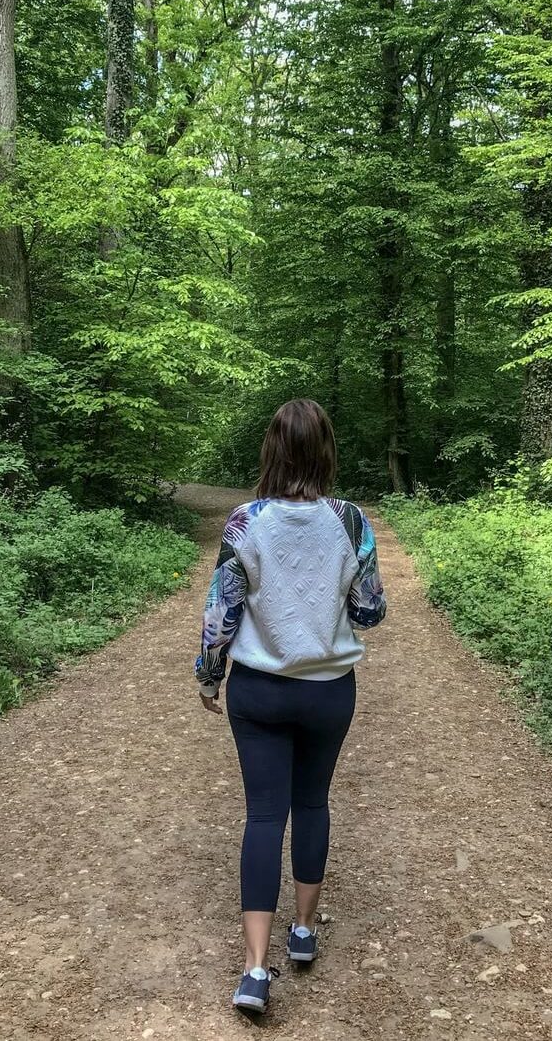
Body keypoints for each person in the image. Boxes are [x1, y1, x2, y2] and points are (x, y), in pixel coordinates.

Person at [194, 398, 387, 1014]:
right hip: (329, 689)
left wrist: (208, 673)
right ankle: (302, 934)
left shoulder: (245, 522)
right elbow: (369, 611)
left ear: (271, 450)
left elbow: (222, 610)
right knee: (312, 803)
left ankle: (254, 971)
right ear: (327, 451)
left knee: (262, 816)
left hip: (260, 690)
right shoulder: (351, 521)